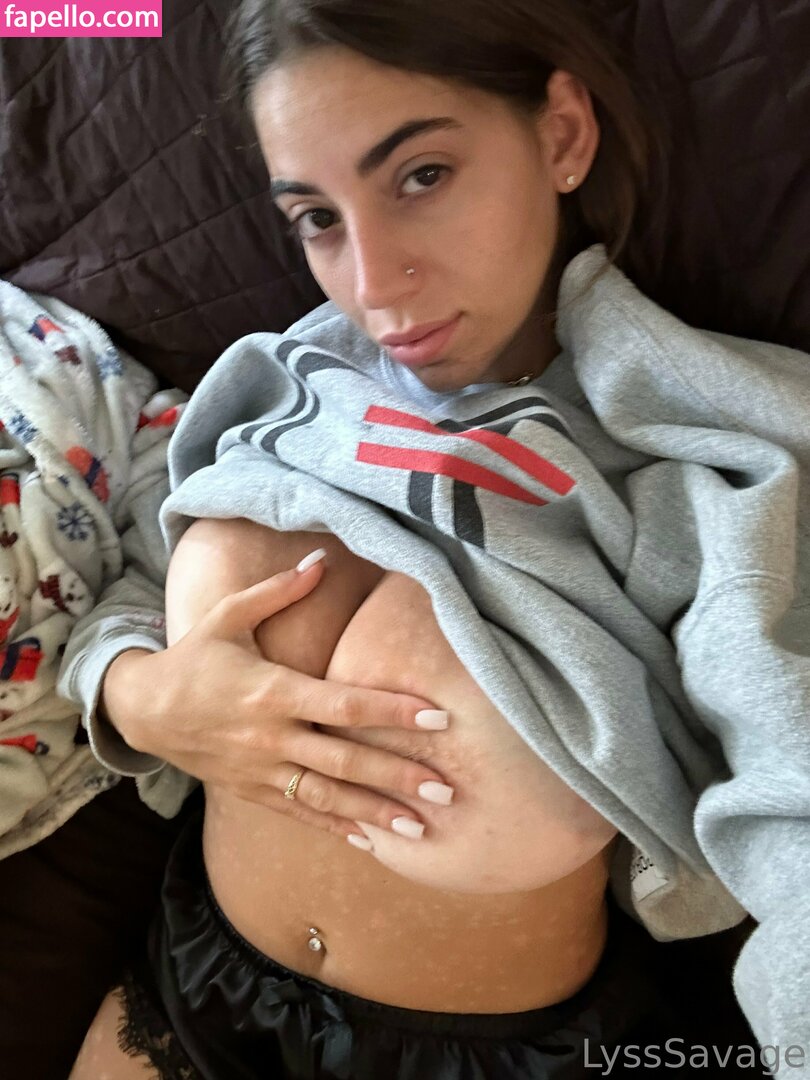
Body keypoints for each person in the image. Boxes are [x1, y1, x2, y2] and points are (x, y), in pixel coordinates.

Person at [65, 0, 810, 1076]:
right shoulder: (279, 384)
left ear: (562, 134)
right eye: (317, 217)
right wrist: (138, 695)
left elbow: (795, 797)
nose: (373, 285)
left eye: (421, 176)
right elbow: (132, 580)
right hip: (189, 979)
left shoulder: (704, 453)